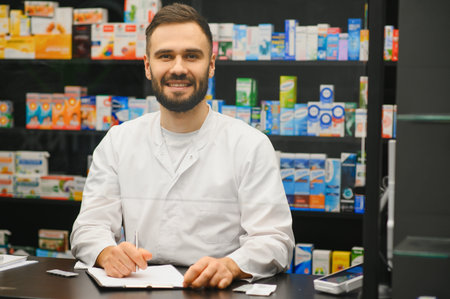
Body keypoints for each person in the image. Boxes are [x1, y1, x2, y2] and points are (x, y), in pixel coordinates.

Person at [70, 3, 294, 289]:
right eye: (165, 56)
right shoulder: (119, 141)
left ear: (211, 64)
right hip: (139, 288)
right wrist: (107, 252)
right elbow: (88, 227)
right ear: (148, 67)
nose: (178, 68)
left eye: (191, 56)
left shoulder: (249, 145)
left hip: (217, 291)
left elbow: (275, 240)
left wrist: (231, 265)